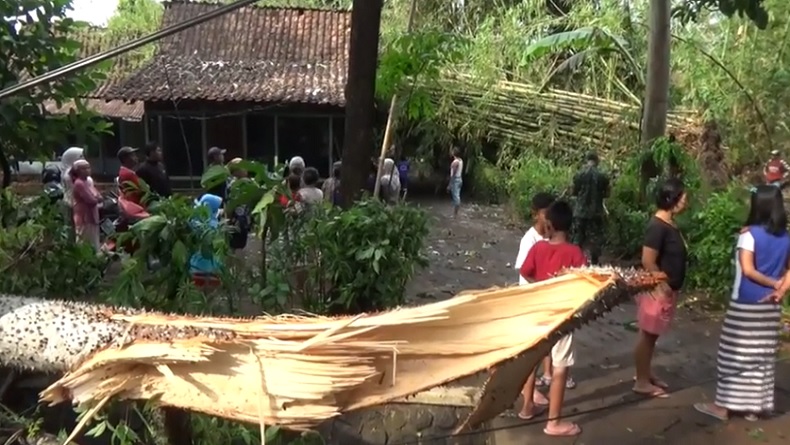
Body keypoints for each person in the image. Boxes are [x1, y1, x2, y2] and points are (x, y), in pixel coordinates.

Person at [694, 185, 790, 422]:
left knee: (732, 354)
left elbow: (748, 270)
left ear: (757, 205)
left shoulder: (749, 235)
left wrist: (771, 282)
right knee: (761, 356)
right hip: (771, 306)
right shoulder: (786, 237)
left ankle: (723, 406)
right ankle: (753, 408)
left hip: (746, 303)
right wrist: (781, 288)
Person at [518, 200, 586, 437]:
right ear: (569, 225)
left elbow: (524, 271)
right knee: (560, 367)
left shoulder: (538, 249)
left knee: (532, 362)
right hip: (562, 317)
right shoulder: (575, 253)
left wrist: (540, 286)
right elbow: (585, 285)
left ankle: (527, 407)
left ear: (549, 224)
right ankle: (553, 422)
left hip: (536, 312)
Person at [633, 178, 688, 398]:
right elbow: (648, 259)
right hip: (658, 291)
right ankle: (641, 381)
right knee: (647, 336)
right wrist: (661, 284)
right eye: (683, 197)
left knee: (652, 336)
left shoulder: (669, 224)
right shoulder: (657, 227)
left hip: (666, 289)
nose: (686, 201)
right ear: (671, 199)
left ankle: (645, 373)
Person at [571, 152, 610, 265]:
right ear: (597, 161)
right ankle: (594, 262)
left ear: (587, 160)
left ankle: (574, 261)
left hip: (580, 211)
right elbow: (607, 194)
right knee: (595, 239)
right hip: (596, 213)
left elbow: (574, 192)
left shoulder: (579, 175)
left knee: (578, 237)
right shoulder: (603, 176)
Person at [70, 159, 102, 252]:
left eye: (88, 167)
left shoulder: (87, 182)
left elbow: (98, 195)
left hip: (92, 216)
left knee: (93, 240)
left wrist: (96, 197)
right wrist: (96, 198)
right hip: (84, 216)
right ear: (78, 171)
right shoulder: (79, 183)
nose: (88, 170)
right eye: (85, 168)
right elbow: (91, 200)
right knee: (85, 241)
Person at [227, 158, 251, 252]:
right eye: (243, 167)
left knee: (241, 246)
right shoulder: (233, 185)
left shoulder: (249, 183)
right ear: (236, 171)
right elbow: (229, 205)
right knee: (234, 246)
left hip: (244, 220)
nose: (246, 169)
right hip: (236, 220)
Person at [447, 147, 463, 217]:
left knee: (456, 197)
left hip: (455, 180)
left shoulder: (455, 163)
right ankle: (455, 213)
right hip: (459, 179)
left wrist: (450, 184)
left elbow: (453, 174)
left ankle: (455, 215)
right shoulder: (461, 161)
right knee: (457, 195)